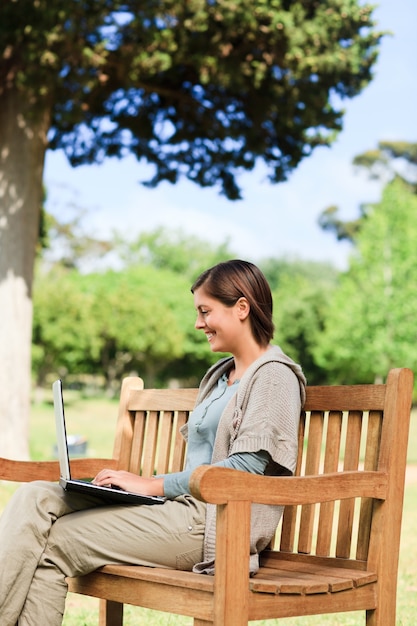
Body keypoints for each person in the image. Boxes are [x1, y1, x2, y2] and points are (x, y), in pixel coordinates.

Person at [0, 259, 306, 625]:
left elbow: (246, 468)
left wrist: (152, 483)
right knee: (34, 496)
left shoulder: (274, 377)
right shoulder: (222, 375)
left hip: (212, 525)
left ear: (242, 308)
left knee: (55, 544)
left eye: (205, 311)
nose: (198, 324)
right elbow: (200, 466)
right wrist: (143, 489)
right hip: (177, 507)